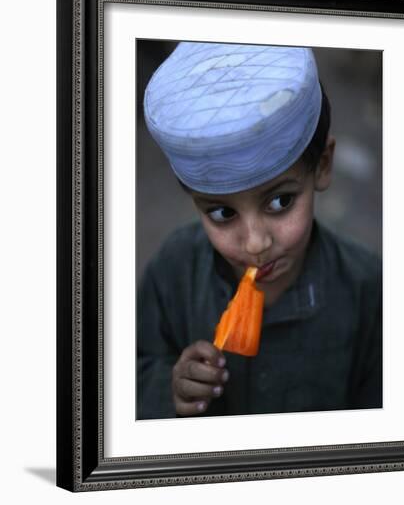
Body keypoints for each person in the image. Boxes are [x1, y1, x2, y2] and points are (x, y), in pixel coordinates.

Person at [137, 42, 382, 419]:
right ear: (194, 202)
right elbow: (124, 372)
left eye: (280, 202)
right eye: (222, 212)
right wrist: (169, 387)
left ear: (323, 166)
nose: (255, 243)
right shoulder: (173, 271)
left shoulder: (368, 289)